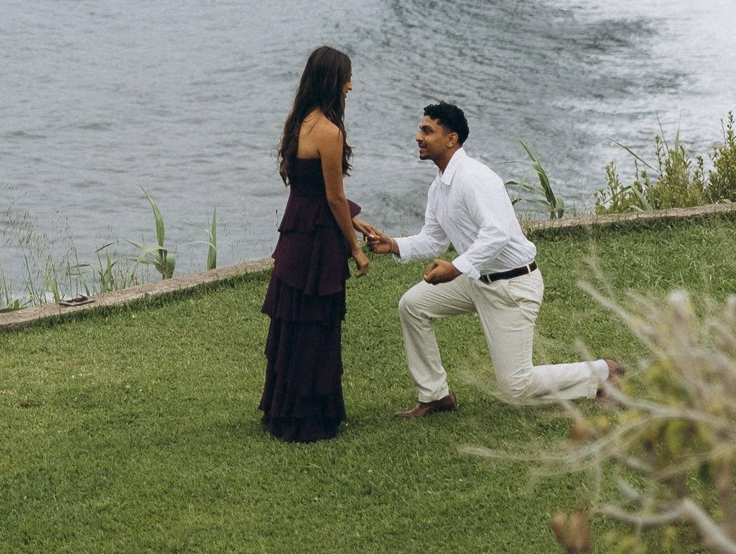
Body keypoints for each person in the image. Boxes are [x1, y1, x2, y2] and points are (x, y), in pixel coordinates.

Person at [357, 100, 620, 417]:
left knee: (517, 387)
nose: (418, 136)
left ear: (451, 139)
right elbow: (433, 238)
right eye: (420, 129)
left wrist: (455, 268)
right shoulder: (440, 186)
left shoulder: (474, 178)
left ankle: (604, 372)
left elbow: (496, 234)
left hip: (512, 286)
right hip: (476, 280)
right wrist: (394, 245)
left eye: (427, 130)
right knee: (413, 305)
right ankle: (435, 395)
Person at [261, 43, 368, 441]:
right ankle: (309, 418)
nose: (350, 87)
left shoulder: (299, 122)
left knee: (293, 326)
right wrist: (355, 249)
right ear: (332, 82)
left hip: (296, 235)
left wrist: (358, 223)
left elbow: (315, 192)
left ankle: (283, 409)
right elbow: (334, 197)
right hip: (317, 243)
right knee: (317, 329)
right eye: (346, 79)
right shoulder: (329, 131)